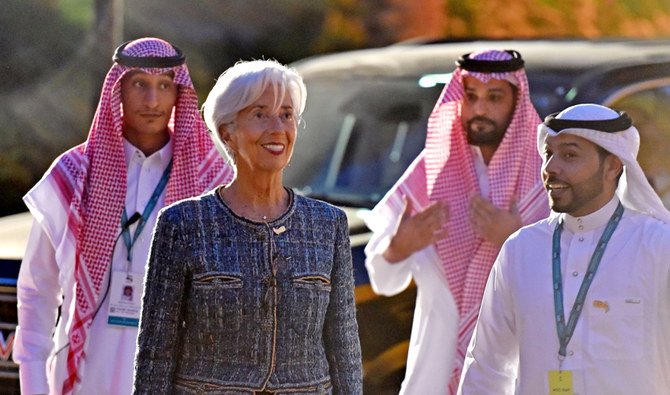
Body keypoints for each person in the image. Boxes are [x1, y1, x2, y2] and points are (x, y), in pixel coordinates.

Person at [12, 37, 233, 395]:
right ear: (118, 90)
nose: (152, 100)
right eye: (139, 85)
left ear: (179, 93)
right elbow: (37, 291)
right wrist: (33, 385)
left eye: (164, 86)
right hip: (83, 379)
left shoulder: (213, 181)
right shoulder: (74, 174)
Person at [133, 59, 363, 394]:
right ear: (227, 132)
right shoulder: (183, 224)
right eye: (259, 114)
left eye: (286, 114)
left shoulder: (328, 225)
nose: (277, 128)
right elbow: (156, 350)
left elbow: (344, 345)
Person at [364, 49, 549, 394]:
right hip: (432, 371)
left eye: (494, 98)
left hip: (512, 371)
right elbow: (382, 280)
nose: (480, 109)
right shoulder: (431, 173)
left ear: (517, 102)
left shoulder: (544, 180)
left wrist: (514, 237)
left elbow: (568, 277)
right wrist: (400, 246)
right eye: (471, 96)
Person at [458, 103, 670, 394]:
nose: (550, 168)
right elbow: (487, 365)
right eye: (549, 154)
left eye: (569, 155)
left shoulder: (659, 247)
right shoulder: (521, 249)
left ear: (612, 166)